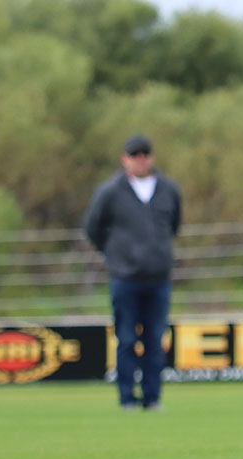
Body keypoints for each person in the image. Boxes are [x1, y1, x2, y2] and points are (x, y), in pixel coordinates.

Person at [84, 134, 182, 411]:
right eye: (134, 155)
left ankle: (153, 398)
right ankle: (127, 397)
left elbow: (175, 225)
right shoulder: (110, 191)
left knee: (155, 340)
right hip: (124, 278)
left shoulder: (168, 189)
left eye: (144, 154)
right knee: (126, 339)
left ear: (151, 157)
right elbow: (92, 227)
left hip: (158, 278)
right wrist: (115, 256)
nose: (140, 160)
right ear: (124, 159)